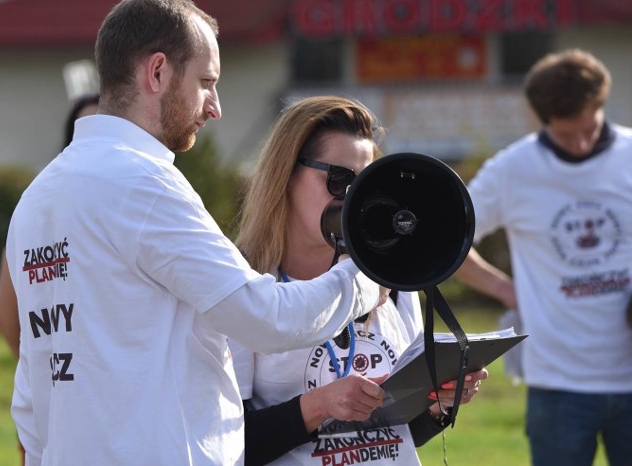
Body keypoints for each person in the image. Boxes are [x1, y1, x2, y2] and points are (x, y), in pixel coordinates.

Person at [4, 0, 387, 465]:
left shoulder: (37, 198)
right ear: (158, 72)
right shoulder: (143, 184)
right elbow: (266, 318)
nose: (215, 106)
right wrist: (366, 275)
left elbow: (35, 383)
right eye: (207, 81)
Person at [230, 95, 488, 466]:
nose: (353, 198)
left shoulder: (391, 279)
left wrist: (436, 402)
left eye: (365, 182)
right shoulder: (243, 285)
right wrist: (319, 405)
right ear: (286, 176)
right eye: (339, 180)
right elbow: (223, 442)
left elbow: (394, 434)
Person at [455, 49, 632, 466]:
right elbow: (449, 243)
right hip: (557, 383)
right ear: (541, 119)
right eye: (567, 135)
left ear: (601, 104)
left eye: (588, 128)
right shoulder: (512, 170)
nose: (582, 143)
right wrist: (504, 288)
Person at [0, 93, 100, 359]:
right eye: (85, 132)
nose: (95, 144)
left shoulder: (142, 201)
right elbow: (5, 314)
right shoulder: (41, 208)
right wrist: (41, 372)